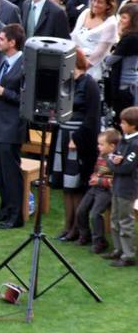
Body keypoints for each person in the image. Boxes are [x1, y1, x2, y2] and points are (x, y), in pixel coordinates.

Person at [48, 49, 101, 242]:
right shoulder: (67, 84)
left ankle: (79, 229)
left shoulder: (90, 84)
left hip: (78, 140)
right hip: (63, 136)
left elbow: (92, 117)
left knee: (76, 185)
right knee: (66, 186)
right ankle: (67, 226)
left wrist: (76, 139)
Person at [0, 24, 27, 229]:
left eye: (1, 39)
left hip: (12, 126)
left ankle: (16, 215)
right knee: (1, 171)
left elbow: (26, 99)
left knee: (11, 172)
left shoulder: (25, 65)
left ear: (12, 42)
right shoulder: (4, 62)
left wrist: (3, 92)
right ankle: (6, 208)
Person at [75, 128, 118, 254]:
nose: (98, 147)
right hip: (95, 188)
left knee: (95, 214)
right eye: (98, 144)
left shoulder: (115, 159)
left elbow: (112, 181)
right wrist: (94, 177)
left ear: (112, 146)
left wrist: (98, 181)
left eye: (101, 144)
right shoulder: (102, 155)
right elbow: (98, 170)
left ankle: (100, 242)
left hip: (106, 191)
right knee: (81, 210)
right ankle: (85, 235)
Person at [105, 106, 138, 267]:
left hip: (128, 187)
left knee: (125, 221)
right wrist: (115, 161)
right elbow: (110, 159)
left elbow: (127, 168)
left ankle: (128, 255)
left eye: (124, 123)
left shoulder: (135, 144)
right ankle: (118, 250)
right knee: (115, 218)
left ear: (133, 125)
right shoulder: (124, 139)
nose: (120, 125)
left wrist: (116, 162)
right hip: (117, 184)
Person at [71, 0, 118, 82]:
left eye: (100, 2)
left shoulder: (111, 23)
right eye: (94, 0)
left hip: (92, 68)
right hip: (74, 61)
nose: (95, 4)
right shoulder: (85, 13)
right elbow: (74, 35)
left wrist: (83, 69)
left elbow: (100, 52)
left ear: (108, 5)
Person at [105, 3, 138, 122]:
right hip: (130, 82)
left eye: (124, 18)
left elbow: (110, 60)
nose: (121, 21)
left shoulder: (130, 38)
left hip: (123, 84)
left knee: (122, 118)